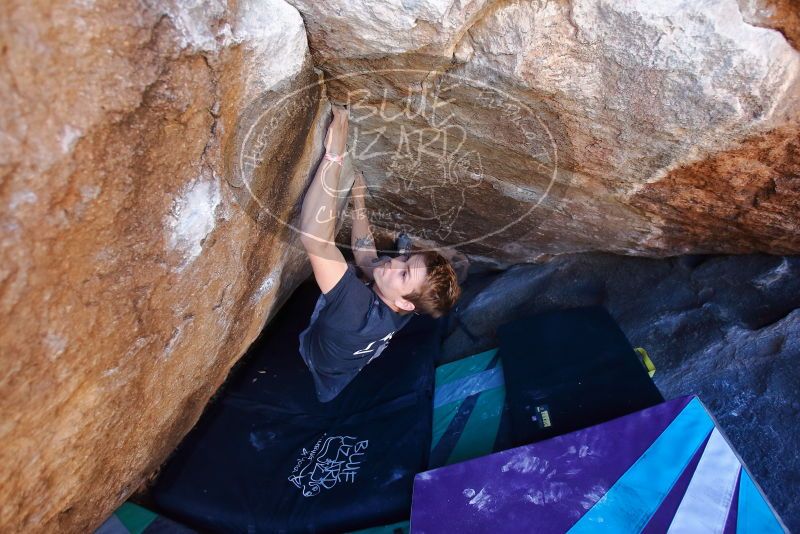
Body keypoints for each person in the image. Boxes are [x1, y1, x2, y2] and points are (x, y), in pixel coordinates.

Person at [298, 104, 462, 402]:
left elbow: (315, 241)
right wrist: (359, 202)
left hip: (320, 366)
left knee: (347, 271)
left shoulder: (356, 311)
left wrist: (335, 154)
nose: (394, 262)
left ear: (404, 302)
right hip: (353, 346)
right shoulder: (406, 305)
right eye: (405, 259)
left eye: (404, 273)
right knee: (368, 268)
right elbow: (366, 257)